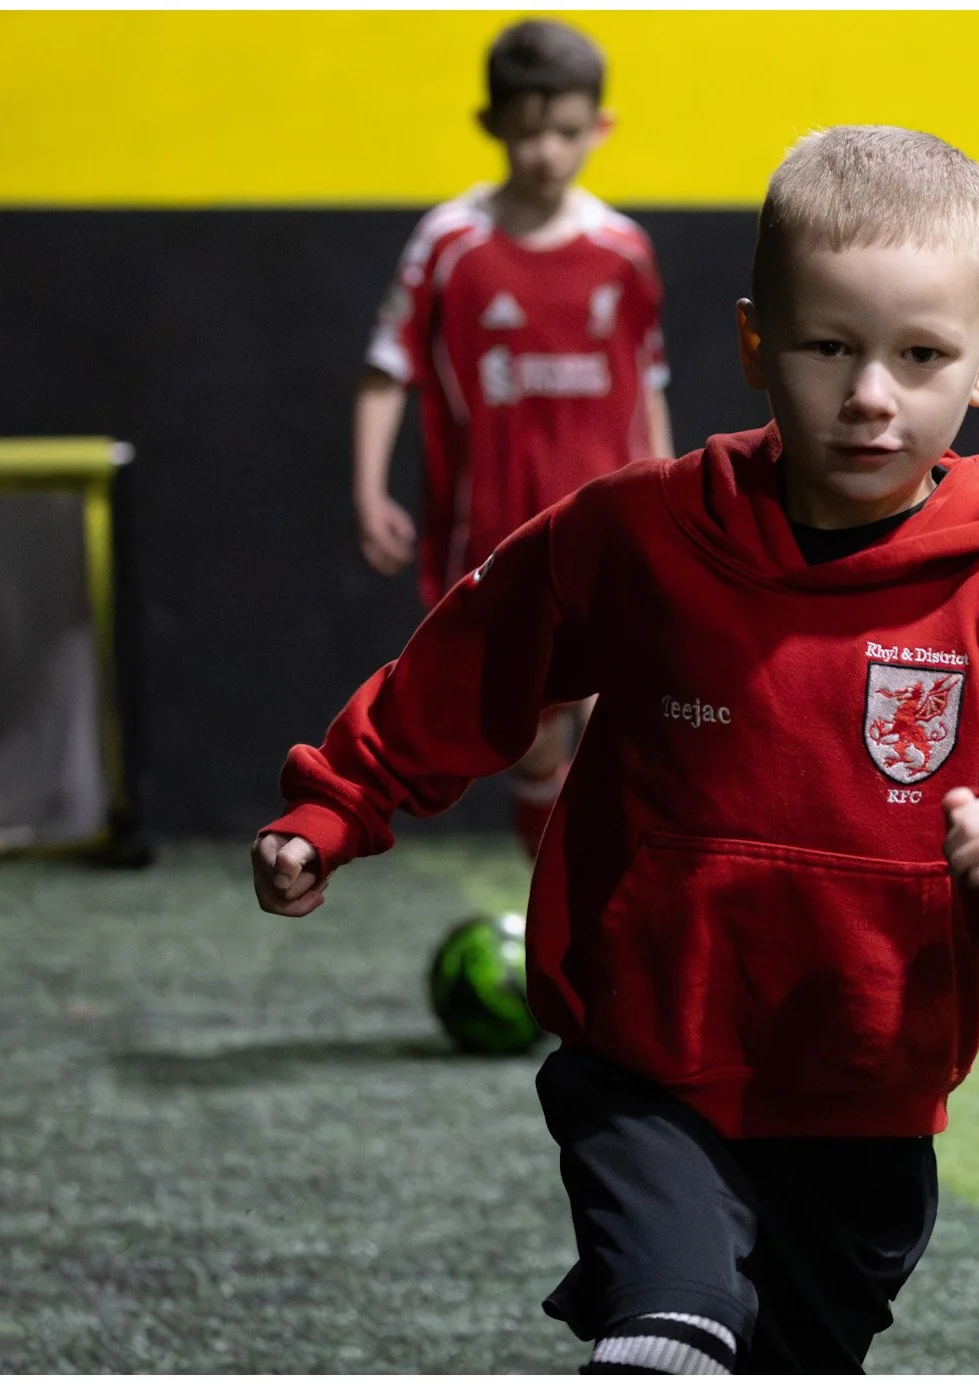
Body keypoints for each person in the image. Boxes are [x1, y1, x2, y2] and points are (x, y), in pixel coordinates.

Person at [254, 125, 979, 1374]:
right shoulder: (639, 536)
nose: (868, 393)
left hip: (865, 1097)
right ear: (754, 342)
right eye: (828, 346)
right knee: (670, 1324)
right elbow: (477, 654)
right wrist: (338, 802)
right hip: (645, 1059)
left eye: (919, 356)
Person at [354, 17, 674, 856]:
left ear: (598, 129)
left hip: (607, 528)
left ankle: (608, 904)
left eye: (565, 132)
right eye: (528, 132)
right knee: (532, 728)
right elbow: (387, 367)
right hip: (496, 530)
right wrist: (369, 488)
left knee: (621, 711)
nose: (545, 152)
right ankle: (548, 890)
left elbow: (649, 388)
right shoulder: (450, 243)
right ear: (491, 125)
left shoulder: (622, 251)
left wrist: (669, 495)